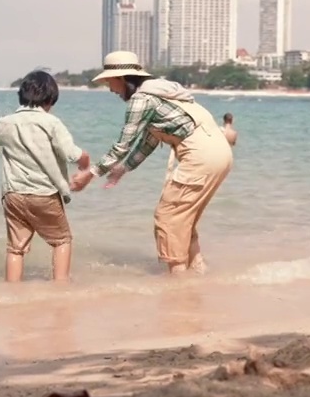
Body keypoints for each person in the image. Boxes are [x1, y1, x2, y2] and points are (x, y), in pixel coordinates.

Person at [70, 51, 233, 276]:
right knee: (184, 218)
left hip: (200, 156)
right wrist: (124, 169)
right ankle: (198, 272)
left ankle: (178, 282)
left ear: (122, 79)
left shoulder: (141, 99)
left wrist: (90, 174)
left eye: (109, 82)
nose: (109, 89)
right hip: (219, 153)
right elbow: (150, 140)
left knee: (167, 218)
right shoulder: (161, 92)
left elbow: (122, 146)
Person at [0, 70, 89, 282]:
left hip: (13, 195)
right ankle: (61, 286)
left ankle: (13, 291)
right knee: (61, 240)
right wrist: (85, 160)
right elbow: (71, 153)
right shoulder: (52, 123)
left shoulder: (8, 122)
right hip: (44, 194)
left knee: (15, 248)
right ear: (50, 99)